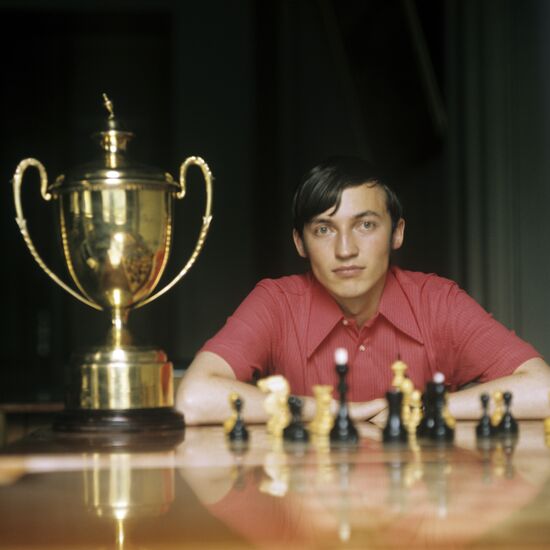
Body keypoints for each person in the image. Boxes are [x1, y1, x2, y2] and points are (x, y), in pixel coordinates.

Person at [177, 156, 550, 425]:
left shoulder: (437, 301)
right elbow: (193, 399)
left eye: (365, 225)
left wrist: (425, 410)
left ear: (397, 232)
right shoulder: (276, 303)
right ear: (300, 243)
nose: (345, 249)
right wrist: (327, 411)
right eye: (324, 229)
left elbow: (544, 389)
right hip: (312, 518)